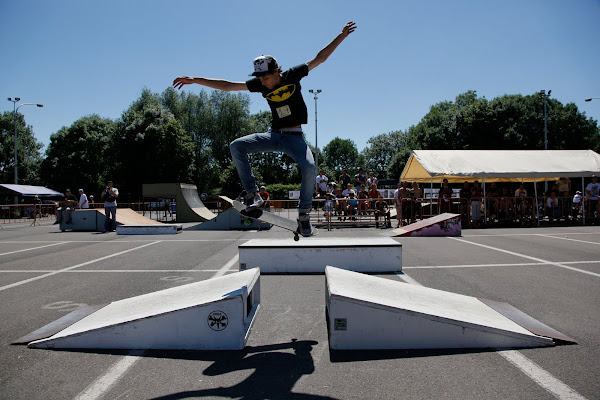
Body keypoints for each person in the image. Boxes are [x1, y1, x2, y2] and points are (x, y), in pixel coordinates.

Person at [173, 22, 357, 237]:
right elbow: (229, 86)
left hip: (295, 138)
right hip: (274, 135)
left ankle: (304, 214)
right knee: (237, 146)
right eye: (261, 78)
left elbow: (320, 57)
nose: (264, 82)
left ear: (277, 70)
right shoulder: (259, 84)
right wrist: (197, 80)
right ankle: (252, 194)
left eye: (267, 77)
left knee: (309, 167)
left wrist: (341, 35)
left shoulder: (292, 76)